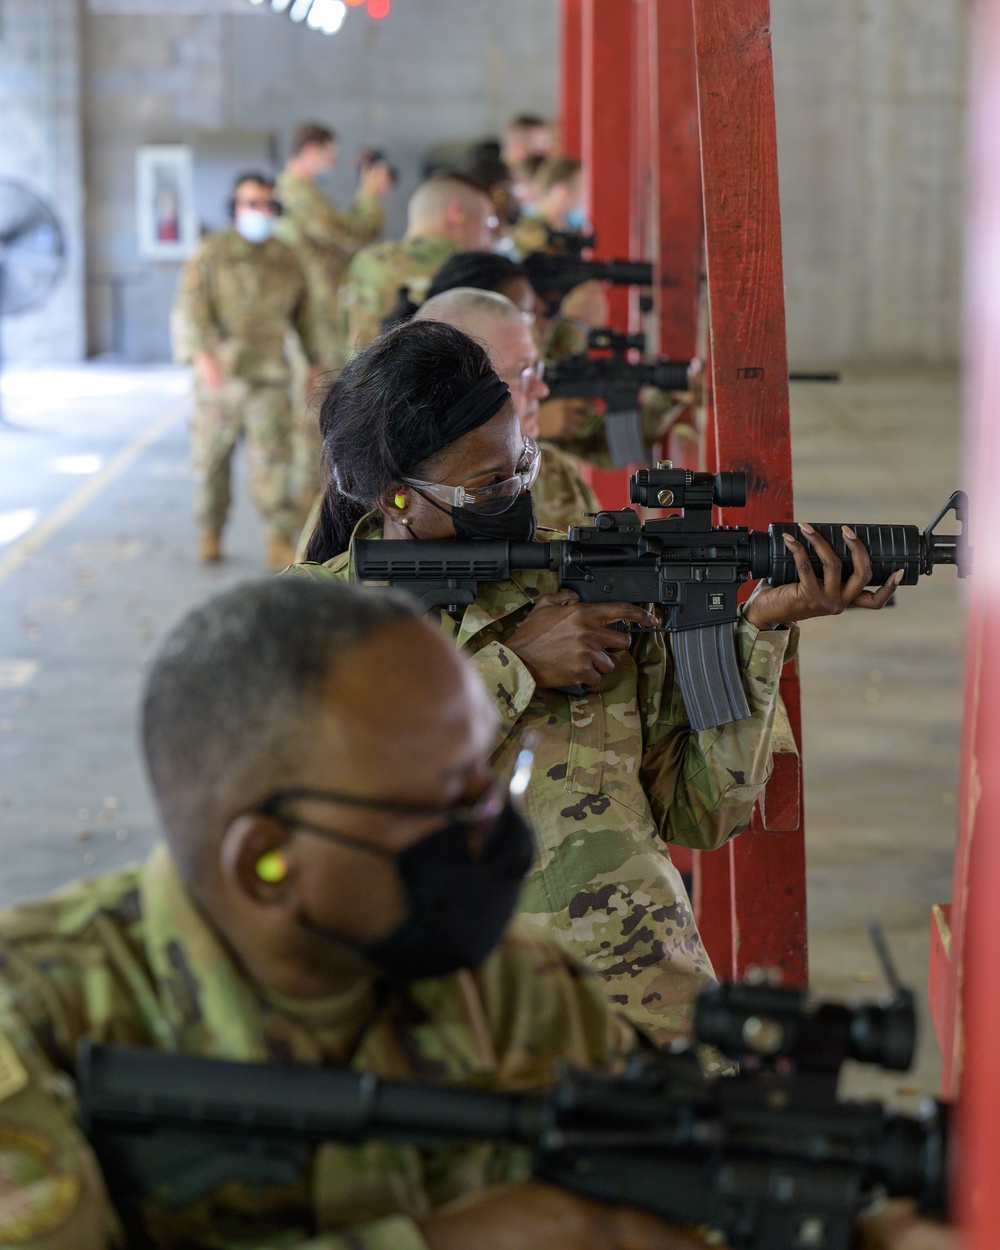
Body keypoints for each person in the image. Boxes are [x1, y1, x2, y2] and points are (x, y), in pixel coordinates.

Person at [0, 576, 711, 1250]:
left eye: (492, 783)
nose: (495, 835)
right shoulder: (34, 1021)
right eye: (446, 808)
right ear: (266, 863)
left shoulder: (523, 991)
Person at [295, 320, 904, 1043]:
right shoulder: (308, 621)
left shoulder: (583, 579)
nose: (519, 491)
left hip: (640, 1013)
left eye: (522, 464)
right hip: (445, 1033)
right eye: (489, 485)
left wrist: (760, 632)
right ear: (398, 498)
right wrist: (513, 666)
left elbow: (702, 812)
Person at [171, 171, 316, 569]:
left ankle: (278, 539)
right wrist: (202, 358)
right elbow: (190, 309)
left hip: (268, 378)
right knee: (211, 462)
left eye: (267, 204)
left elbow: (306, 318)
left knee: (274, 462)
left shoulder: (287, 259)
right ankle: (210, 530)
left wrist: (315, 363)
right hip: (219, 379)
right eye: (251, 203)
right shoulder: (212, 252)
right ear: (235, 207)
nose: (259, 211)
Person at [414, 285, 601, 533]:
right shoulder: (414, 504)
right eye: (522, 372)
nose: (540, 389)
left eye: (536, 368)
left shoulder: (554, 472)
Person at [275, 122, 394, 509]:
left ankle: (308, 512)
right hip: (317, 321)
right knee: (314, 422)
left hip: (319, 318)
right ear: (310, 150)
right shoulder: (301, 195)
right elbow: (352, 233)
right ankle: (304, 520)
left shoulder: (301, 195)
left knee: (318, 417)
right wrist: (370, 194)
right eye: (329, 155)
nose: (333, 163)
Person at [338, 173, 497, 354]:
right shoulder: (470, 272)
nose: (490, 240)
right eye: (488, 223)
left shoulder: (368, 261)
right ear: (457, 214)